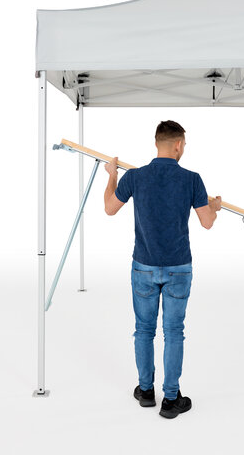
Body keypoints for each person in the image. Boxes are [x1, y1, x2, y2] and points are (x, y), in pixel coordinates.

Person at [104, 120, 221, 419]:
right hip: (178, 268)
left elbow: (109, 207)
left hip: (143, 266)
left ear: (157, 143)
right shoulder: (192, 179)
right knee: (174, 332)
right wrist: (215, 208)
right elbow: (206, 222)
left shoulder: (135, 177)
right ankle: (171, 399)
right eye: (184, 145)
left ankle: (145, 391)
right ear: (179, 144)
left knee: (143, 329)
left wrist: (112, 175)